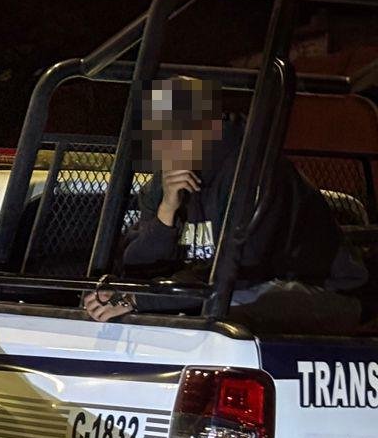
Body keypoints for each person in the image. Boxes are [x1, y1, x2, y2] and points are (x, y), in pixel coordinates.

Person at [86, 76, 366, 333]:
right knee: (118, 307)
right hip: (233, 286)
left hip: (319, 290)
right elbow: (137, 264)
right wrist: (166, 212)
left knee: (217, 314)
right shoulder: (165, 180)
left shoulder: (255, 172)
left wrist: (141, 299)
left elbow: (243, 270)